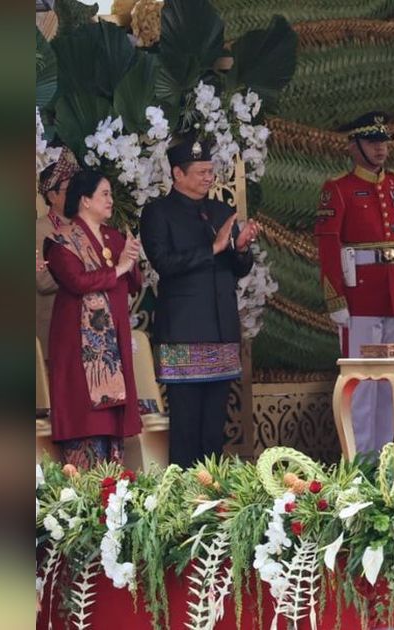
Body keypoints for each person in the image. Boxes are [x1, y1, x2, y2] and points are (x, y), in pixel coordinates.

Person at [140, 136, 259, 468]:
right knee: (187, 428)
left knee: (213, 431)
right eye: (202, 171)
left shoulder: (221, 211)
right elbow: (164, 263)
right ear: (178, 173)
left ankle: (212, 500)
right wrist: (214, 249)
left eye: (211, 171)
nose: (209, 177)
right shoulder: (157, 213)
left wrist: (241, 248)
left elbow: (240, 269)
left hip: (221, 331)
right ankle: (181, 506)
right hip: (184, 334)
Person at [315, 112, 394, 454]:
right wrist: (336, 299)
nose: (380, 148)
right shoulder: (338, 189)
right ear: (354, 146)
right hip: (359, 296)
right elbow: (329, 246)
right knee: (362, 384)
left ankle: (385, 455)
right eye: (372, 142)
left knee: (392, 382)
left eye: (383, 141)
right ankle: (360, 459)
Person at [44, 169, 143, 468]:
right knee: (86, 421)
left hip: (114, 345)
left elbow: (133, 284)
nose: (111, 200)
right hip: (79, 349)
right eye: (105, 194)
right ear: (85, 200)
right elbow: (76, 282)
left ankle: (111, 502)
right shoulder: (62, 240)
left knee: (112, 434)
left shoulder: (114, 237)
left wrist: (133, 260)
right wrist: (120, 268)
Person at [36, 147, 81, 355]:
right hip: (55, 333)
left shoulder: (85, 225)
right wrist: (83, 274)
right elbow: (43, 280)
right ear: (52, 195)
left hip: (88, 333)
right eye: (69, 189)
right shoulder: (38, 229)